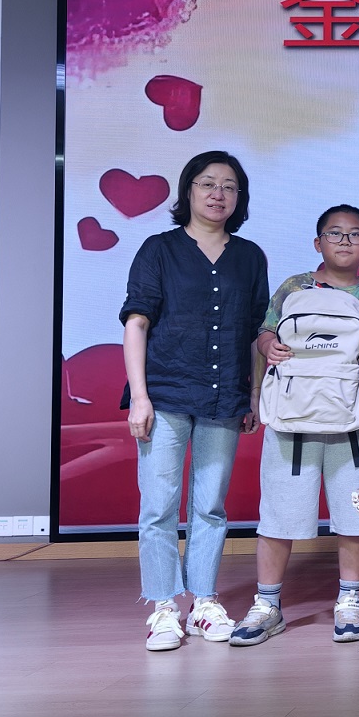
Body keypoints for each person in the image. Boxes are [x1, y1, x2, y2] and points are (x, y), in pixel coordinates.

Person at [120, 151, 269, 651]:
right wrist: (139, 397)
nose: (217, 194)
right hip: (163, 393)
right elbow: (136, 322)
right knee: (158, 506)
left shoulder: (249, 256)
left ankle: (204, 601)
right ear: (188, 190)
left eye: (229, 186)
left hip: (224, 397)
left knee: (210, 506)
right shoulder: (158, 249)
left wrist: (253, 394)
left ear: (239, 198)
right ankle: (164, 607)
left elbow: (255, 332)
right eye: (207, 183)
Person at [231, 206, 359, 645]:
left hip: (352, 425)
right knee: (279, 513)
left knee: (355, 512)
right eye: (334, 233)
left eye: (355, 234)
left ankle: (350, 599)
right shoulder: (294, 287)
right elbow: (265, 332)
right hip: (291, 421)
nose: (344, 241)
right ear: (317, 243)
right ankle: (267, 605)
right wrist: (269, 345)